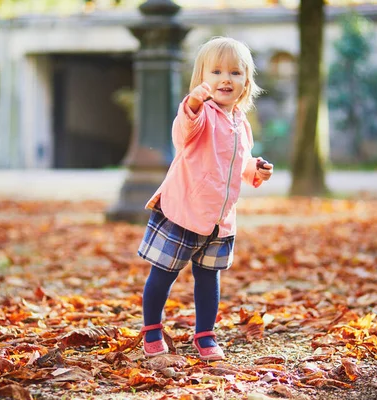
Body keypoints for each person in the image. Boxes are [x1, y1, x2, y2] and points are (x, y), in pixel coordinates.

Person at [137, 36, 273, 361]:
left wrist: (256, 168)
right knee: (164, 272)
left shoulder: (241, 123)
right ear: (202, 79)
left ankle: (205, 334)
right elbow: (183, 131)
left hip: (219, 219)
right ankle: (152, 329)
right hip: (185, 209)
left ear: (246, 82)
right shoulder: (202, 115)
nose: (226, 79)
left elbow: (238, 162)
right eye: (216, 72)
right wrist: (194, 104)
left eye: (235, 73)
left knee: (208, 276)